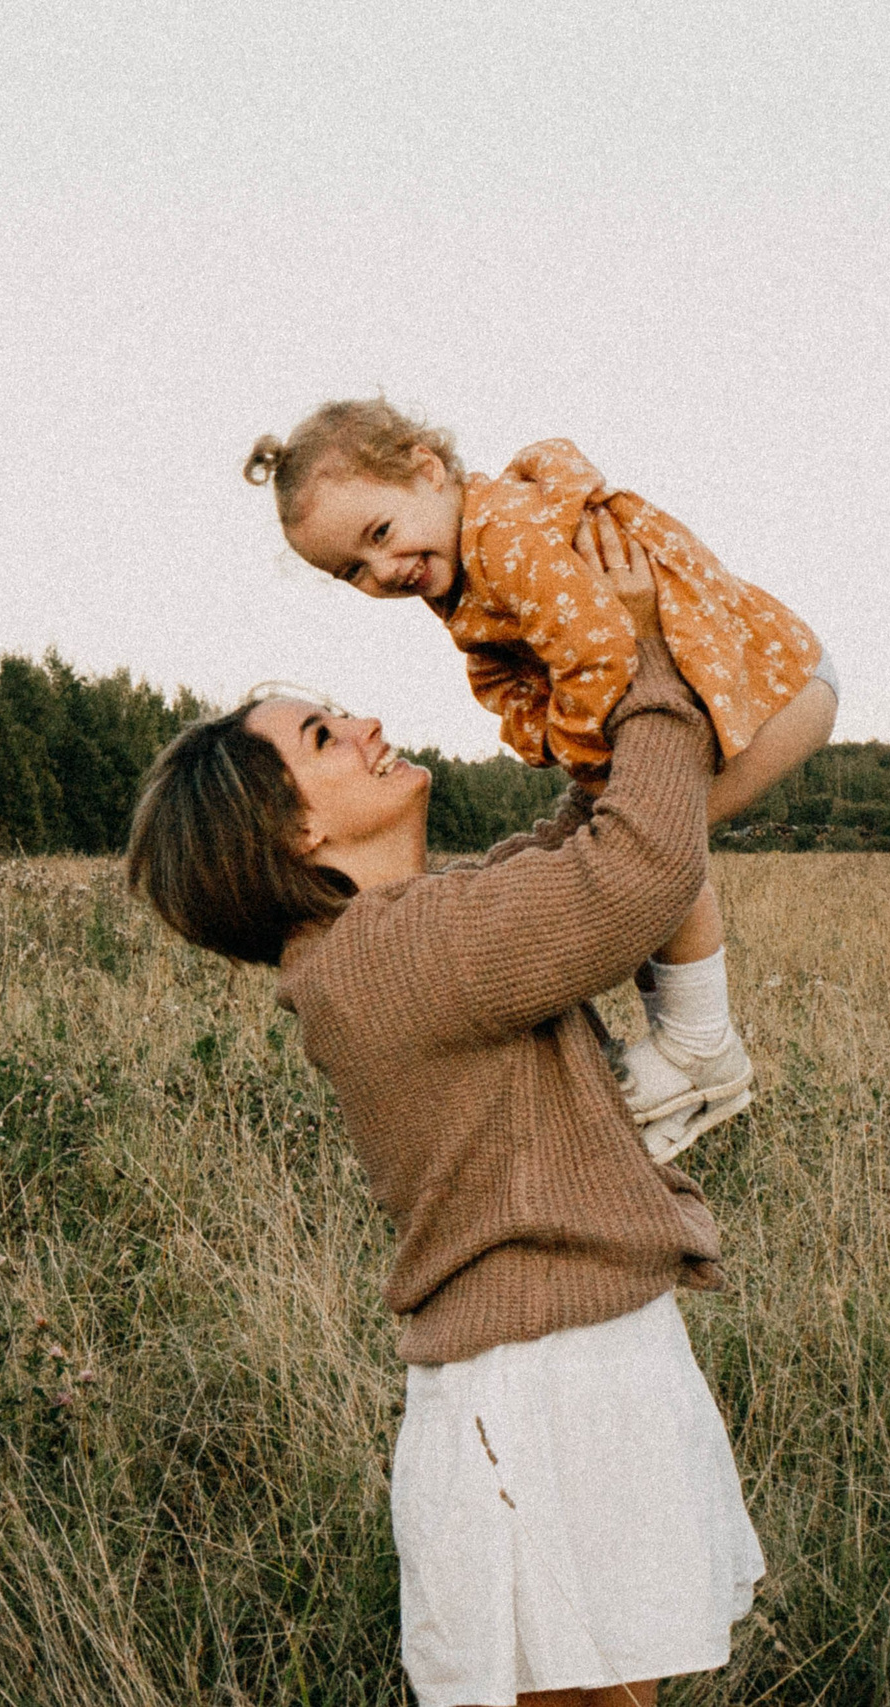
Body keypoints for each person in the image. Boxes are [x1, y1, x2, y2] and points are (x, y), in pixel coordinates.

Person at [126, 514, 764, 1707]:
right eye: (323, 735)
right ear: (298, 832)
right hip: (537, 1389)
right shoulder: (389, 956)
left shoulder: (400, 938)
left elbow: (583, 840)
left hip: (573, 1365)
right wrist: (654, 676)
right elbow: (635, 872)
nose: (364, 723)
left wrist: (599, 670)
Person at [244, 401, 840, 1156]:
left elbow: (599, 658)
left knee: (649, 840)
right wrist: (556, 738)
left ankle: (700, 1049)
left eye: (381, 534)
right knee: (630, 833)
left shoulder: (506, 540)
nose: (383, 571)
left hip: (776, 684)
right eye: (352, 570)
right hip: (763, 675)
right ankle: (686, 1048)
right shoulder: (461, 573)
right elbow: (519, 682)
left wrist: (563, 742)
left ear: (428, 469)